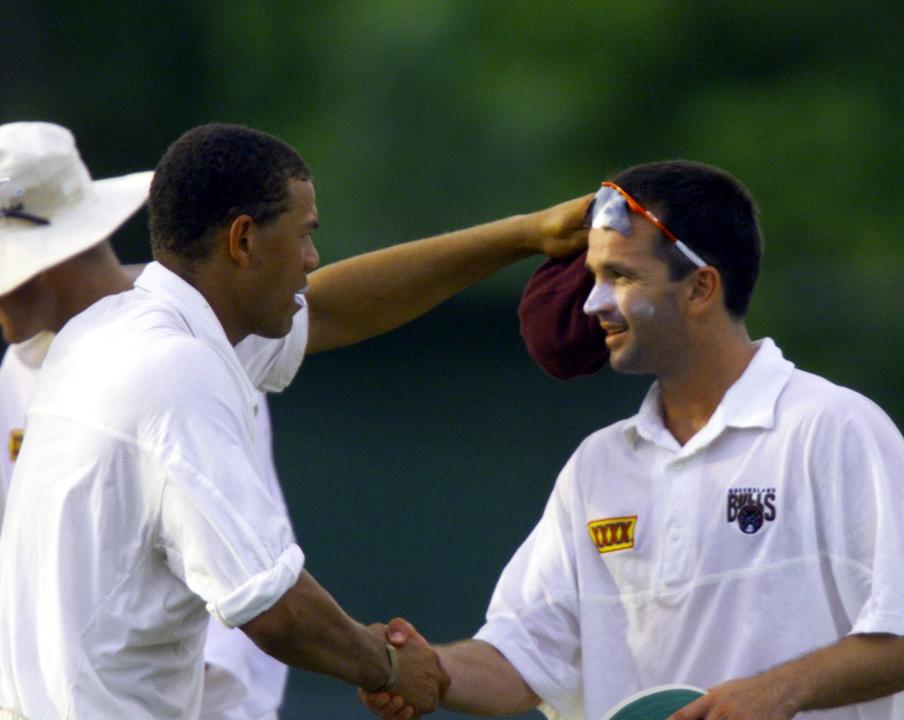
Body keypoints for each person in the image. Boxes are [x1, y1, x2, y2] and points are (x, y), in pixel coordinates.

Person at [366, 160, 904, 720]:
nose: (592, 304)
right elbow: (525, 658)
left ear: (700, 288)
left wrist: (778, 691)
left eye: (621, 277)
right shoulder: (598, 466)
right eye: (593, 276)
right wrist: (426, 671)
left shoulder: (830, 427)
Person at [0, 122, 589, 719]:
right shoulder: (174, 369)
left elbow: (330, 307)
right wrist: (389, 665)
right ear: (244, 241)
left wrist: (527, 234)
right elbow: (274, 609)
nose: (311, 260)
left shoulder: (104, 336)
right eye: (305, 235)